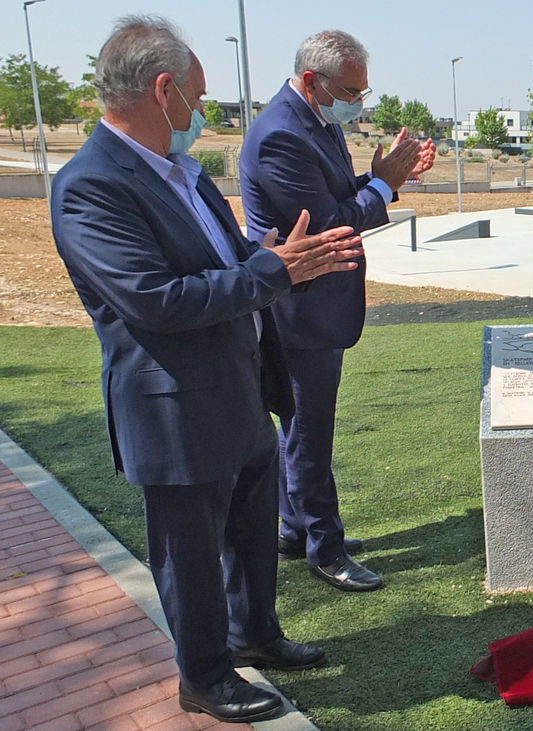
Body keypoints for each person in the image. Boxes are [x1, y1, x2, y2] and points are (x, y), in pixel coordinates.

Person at [51, 16, 364, 722]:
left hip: (239, 387)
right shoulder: (90, 185)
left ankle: (254, 633)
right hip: (175, 407)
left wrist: (270, 266)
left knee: (253, 530)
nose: (202, 110)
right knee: (190, 555)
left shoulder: (182, 170)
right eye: (198, 95)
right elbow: (155, 299)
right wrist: (272, 273)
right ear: (164, 91)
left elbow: (228, 262)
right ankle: (206, 675)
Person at [240, 30, 434, 592]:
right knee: (308, 431)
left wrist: (379, 178)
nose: (359, 102)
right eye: (351, 90)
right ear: (310, 81)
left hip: (310, 307)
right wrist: (383, 182)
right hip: (299, 310)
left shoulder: (312, 121)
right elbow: (330, 224)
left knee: (298, 427)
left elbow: (331, 194)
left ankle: (295, 527)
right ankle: (325, 548)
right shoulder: (280, 134)